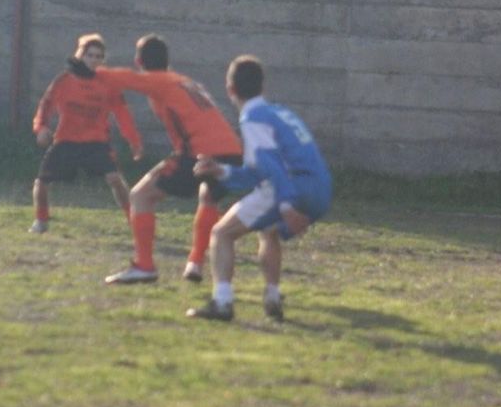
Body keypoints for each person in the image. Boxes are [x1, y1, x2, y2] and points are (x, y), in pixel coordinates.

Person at [188, 54, 332, 321]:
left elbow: (269, 163)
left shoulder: (253, 116)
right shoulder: (280, 112)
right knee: (268, 230)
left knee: (221, 233)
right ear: (263, 87)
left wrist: (287, 204)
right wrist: (223, 171)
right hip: (320, 187)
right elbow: (260, 170)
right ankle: (272, 297)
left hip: (291, 185)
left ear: (230, 89)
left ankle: (222, 303)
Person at [95, 34, 242, 284]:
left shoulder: (159, 81)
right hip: (232, 151)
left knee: (140, 196)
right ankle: (195, 263)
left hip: (200, 152)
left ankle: (144, 266)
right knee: (208, 198)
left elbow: (125, 78)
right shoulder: (183, 81)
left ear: (139, 60)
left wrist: (90, 70)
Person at [30, 33, 143, 233]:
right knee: (42, 183)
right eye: (90, 55)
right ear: (81, 55)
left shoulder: (109, 83)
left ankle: (135, 222)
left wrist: (133, 140)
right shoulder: (64, 80)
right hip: (66, 141)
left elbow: (122, 113)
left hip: (96, 142)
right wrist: (41, 128)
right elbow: (45, 106)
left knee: (115, 180)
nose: (94, 60)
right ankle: (41, 220)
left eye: (98, 56)